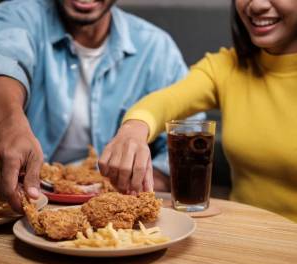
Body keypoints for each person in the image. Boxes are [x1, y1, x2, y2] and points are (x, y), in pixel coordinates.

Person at [0, 0, 204, 212]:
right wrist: (8, 123)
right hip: (30, 203)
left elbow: (192, 136)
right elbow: (2, 60)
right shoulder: (16, 16)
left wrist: (137, 179)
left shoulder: (156, 47)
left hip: (117, 208)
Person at [99, 0, 297, 222]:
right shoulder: (224, 66)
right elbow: (166, 100)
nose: (257, 5)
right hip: (241, 236)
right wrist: (133, 130)